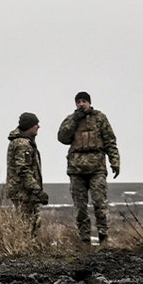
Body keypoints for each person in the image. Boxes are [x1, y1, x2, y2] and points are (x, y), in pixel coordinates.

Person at [57, 91, 120, 245]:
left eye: (84, 101)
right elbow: (62, 138)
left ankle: (103, 237)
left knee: (100, 203)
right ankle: (85, 239)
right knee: (80, 207)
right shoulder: (70, 119)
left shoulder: (100, 118)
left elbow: (110, 141)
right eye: (78, 101)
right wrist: (74, 121)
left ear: (89, 102)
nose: (81, 104)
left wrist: (115, 161)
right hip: (76, 169)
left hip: (96, 168)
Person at [6, 112, 47, 239]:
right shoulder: (23, 145)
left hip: (26, 192)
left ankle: (28, 249)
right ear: (29, 126)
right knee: (26, 225)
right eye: (36, 124)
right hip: (23, 193)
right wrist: (37, 190)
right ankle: (23, 250)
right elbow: (24, 170)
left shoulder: (24, 143)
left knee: (32, 223)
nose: (38, 127)